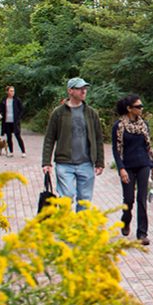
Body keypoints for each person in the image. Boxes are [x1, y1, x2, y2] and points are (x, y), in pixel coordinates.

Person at [41, 77, 104, 212]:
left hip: (86, 163)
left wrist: (100, 162)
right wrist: (46, 162)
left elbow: (99, 138)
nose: (84, 91)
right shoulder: (58, 113)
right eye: (80, 88)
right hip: (64, 164)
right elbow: (49, 138)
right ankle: (65, 229)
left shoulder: (91, 113)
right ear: (70, 91)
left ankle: (79, 230)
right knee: (66, 198)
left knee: (85, 200)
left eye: (85, 88)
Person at [111, 94, 153, 246]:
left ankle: (142, 233)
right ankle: (126, 219)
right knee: (129, 199)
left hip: (143, 164)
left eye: (141, 106)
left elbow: (148, 147)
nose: (141, 109)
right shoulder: (119, 126)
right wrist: (121, 169)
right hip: (128, 166)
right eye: (138, 107)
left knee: (142, 199)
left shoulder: (144, 125)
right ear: (129, 109)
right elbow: (116, 150)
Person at [0, 85, 26, 158]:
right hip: (7, 121)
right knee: (9, 137)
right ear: (7, 92)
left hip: (15, 121)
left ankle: (23, 151)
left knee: (18, 136)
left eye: (13, 91)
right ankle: (11, 152)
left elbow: (21, 109)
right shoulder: (4, 100)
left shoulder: (17, 100)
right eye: (11, 91)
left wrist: (19, 117)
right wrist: (0, 114)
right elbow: (1, 109)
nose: (12, 92)